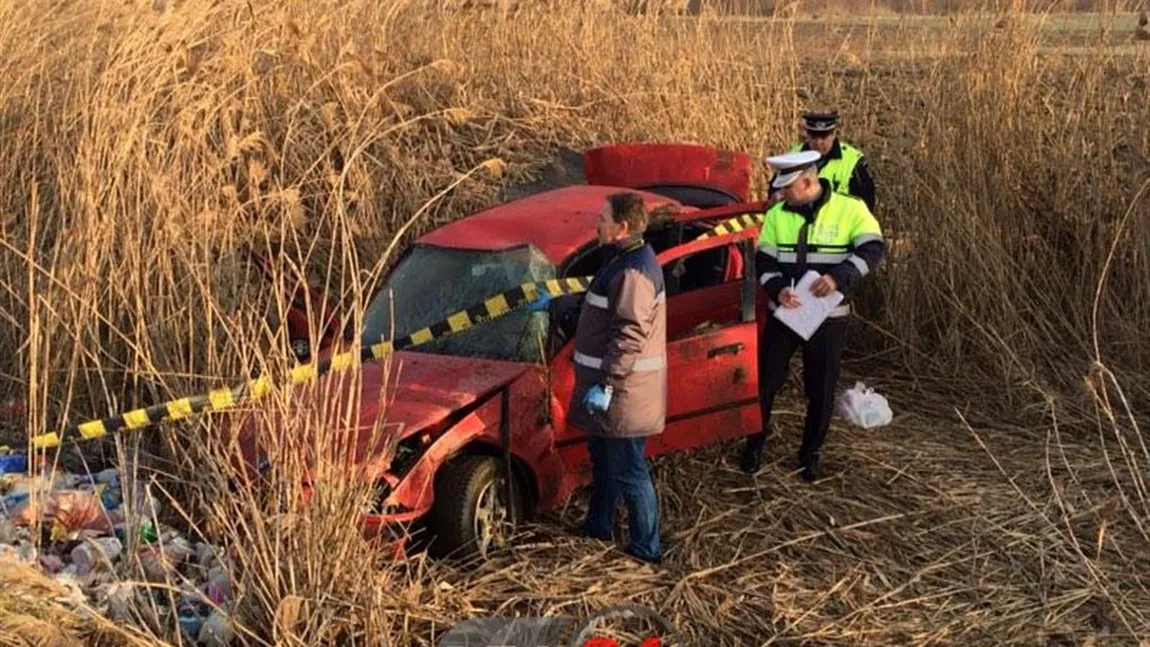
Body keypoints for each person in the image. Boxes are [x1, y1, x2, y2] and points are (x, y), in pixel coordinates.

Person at [526, 191, 668, 564]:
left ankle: (646, 550)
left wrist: (606, 384)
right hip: (611, 387)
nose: (597, 224)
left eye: (603, 219)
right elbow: (598, 306)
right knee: (604, 460)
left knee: (629, 470)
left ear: (622, 227)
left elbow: (629, 335)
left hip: (623, 391)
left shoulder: (633, 272)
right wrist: (557, 303)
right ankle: (599, 525)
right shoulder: (621, 260)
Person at [740, 150, 884, 482]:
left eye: (787, 189)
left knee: (820, 389)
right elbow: (764, 261)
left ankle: (810, 454)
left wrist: (838, 278)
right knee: (765, 383)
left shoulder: (851, 209)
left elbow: (873, 249)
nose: (780, 195)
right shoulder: (777, 214)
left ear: (807, 182)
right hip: (785, 315)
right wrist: (777, 289)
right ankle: (754, 445)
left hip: (829, 316)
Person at [782, 110, 877, 213]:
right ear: (807, 134)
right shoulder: (792, 157)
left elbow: (866, 206)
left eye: (823, 136)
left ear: (833, 134)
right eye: (814, 136)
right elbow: (776, 195)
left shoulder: (853, 161)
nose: (818, 142)